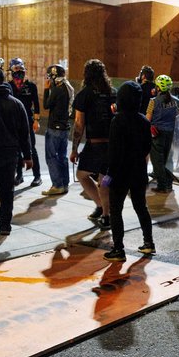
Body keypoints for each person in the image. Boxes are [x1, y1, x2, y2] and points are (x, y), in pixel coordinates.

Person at [103, 81, 154, 262]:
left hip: (121, 173)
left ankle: (118, 248)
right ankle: (148, 242)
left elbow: (115, 151)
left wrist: (109, 174)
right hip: (139, 170)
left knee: (116, 209)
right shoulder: (143, 120)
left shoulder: (118, 120)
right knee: (141, 206)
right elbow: (148, 146)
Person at [71, 59, 116, 229]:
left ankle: (105, 214)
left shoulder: (84, 95)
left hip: (94, 145)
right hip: (111, 146)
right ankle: (102, 209)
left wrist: (74, 150)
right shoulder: (114, 93)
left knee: (84, 175)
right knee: (104, 180)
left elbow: (78, 124)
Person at [0, 68, 32, 236]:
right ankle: (5, 225)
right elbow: (24, 133)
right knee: (6, 191)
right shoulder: (16, 103)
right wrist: (28, 157)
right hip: (9, 154)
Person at [9, 58, 42, 186]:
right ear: (11, 71)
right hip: (14, 123)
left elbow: (37, 105)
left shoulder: (31, 86)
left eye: (20, 68)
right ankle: (20, 175)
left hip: (28, 121)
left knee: (31, 148)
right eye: (15, 69)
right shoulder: (9, 86)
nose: (18, 71)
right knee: (16, 149)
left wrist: (36, 120)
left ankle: (37, 176)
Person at [146, 74, 179, 193]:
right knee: (168, 159)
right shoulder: (176, 101)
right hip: (171, 133)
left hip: (157, 134)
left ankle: (162, 186)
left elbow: (147, 119)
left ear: (158, 87)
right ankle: (169, 183)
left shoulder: (153, 101)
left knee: (157, 160)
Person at [42, 64, 73, 196]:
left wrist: (46, 89)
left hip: (54, 127)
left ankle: (57, 185)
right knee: (62, 156)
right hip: (64, 127)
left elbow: (46, 105)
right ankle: (64, 184)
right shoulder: (67, 87)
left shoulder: (57, 89)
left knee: (51, 157)